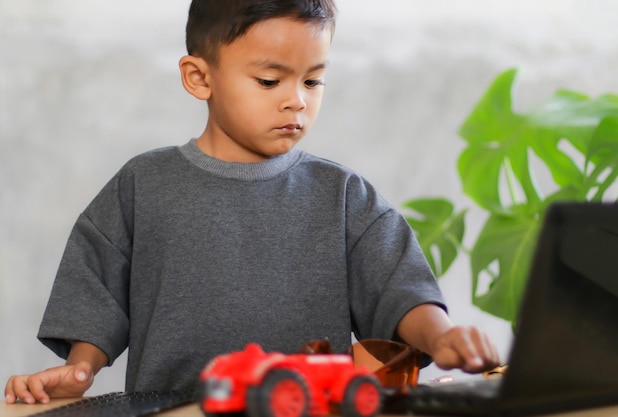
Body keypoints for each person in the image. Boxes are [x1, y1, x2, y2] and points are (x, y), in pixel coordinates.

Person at [5, 0, 500, 405]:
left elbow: (399, 290)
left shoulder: (344, 196)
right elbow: (98, 291)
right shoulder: (143, 183)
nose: (297, 101)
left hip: (308, 408)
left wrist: (440, 337)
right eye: (270, 81)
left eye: (312, 80)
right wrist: (79, 369)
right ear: (200, 78)